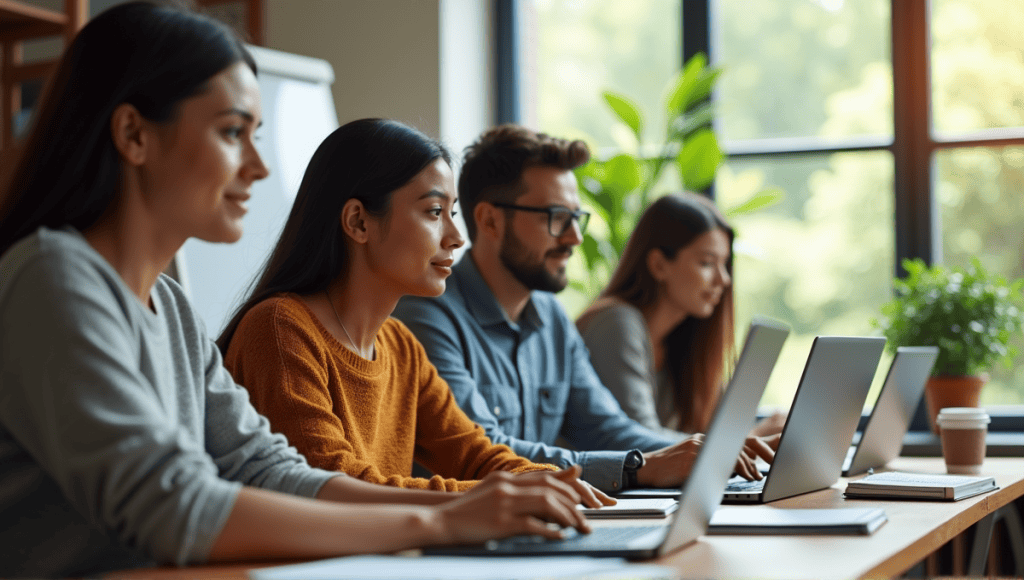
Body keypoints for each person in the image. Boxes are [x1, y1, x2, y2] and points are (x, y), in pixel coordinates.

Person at [0, 5, 591, 577]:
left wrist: (463, 509)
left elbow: (263, 467)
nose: (258, 165)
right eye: (234, 132)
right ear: (133, 134)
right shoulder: (54, 277)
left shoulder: (172, 306)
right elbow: (175, 507)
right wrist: (438, 523)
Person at [217, 118, 611, 502]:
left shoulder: (400, 345)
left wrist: (547, 483)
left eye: (452, 213)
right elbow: (332, 487)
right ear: (358, 221)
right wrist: (500, 496)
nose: (457, 238)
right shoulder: (280, 329)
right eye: (435, 212)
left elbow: (477, 454)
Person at [393, 125, 775, 495]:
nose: (574, 237)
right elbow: (484, 451)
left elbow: (608, 428)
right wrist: (638, 467)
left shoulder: (552, 319)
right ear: (490, 220)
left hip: (545, 522)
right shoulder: (428, 316)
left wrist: (707, 450)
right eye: (556, 218)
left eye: (575, 218)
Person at [576, 193, 785, 438]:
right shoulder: (616, 323)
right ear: (659, 265)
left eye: (724, 264)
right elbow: (639, 442)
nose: (724, 279)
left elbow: (713, 431)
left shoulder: (684, 340)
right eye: (707, 263)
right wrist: (747, 442)